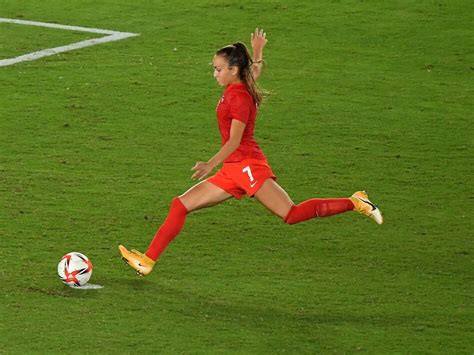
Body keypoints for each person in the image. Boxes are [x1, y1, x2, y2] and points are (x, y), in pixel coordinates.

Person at [119, 28, 383, 276]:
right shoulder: (238, 84)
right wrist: (258, 53)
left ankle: (356, 202)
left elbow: (234, 140)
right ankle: (147, 260)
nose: (215, 74)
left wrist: (210, 164)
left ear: (234, 70)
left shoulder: (239, 98)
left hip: (246, 165)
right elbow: (254, 71)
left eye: (219, 69)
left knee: (291, 214)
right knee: (180, 204)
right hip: (233, 168)